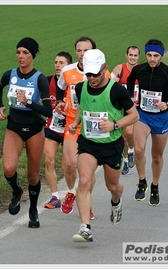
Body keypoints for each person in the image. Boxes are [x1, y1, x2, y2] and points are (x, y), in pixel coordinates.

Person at [69, 49, 139, 242]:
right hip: (88, 143)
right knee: (84, 180)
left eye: (95, 74)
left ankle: (116, 202)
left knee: (112, 185)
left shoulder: (117, 90)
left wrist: (114, 125)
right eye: (88, 74)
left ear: (105, 69)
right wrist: (76, 122)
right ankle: (85, 228)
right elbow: (83, 107)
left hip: (112, 145)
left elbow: (134, 115)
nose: (91, 78)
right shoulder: (80, 88)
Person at [0, 37, 52, 228]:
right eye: (18, 52)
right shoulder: (10, 74)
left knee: (33, 175)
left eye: (25, 53)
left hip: (35, 129)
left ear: (33, 55)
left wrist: (29, 103)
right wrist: (1, 106)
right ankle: (17, 191)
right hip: (14, 127)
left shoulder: (40, 78)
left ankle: (33, 210)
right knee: (9, 168)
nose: (21, 56)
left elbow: (48, 110)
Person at [56, 36, 110, 219]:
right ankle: (72, 192)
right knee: (70, 164)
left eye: (86, 51)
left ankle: (85, 199)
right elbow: (59, 87)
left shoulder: (104, 73)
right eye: (79, 50)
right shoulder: (67, 71)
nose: (81, 54)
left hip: (92, 125)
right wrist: (60, 102)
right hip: (73, 123)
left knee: (87, 170)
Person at [127, 39, 168, 206]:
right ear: (146, 55)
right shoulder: (139, 70)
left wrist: (167, 103)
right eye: (149, 55)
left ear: (162, 56)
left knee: (156, 157)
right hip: (143, 115)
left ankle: (155, 185)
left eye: (156, 56)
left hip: (161, 117)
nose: (152, 59)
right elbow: (130, 80)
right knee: (138, 150)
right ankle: (142, 181)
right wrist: (132, 96)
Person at [43, 51, 73, 209]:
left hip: (71, 128)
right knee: (48, 160)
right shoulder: (48, 81)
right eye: (56, 62)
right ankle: (55, 197)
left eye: (61, 63)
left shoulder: (75, 83)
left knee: (66, 166)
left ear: (69, 66)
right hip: (53, 126)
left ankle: (71, 192)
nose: (57, 65)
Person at [111, 46, 140, 175]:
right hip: (121, 108)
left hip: (134, 108)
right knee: (123, 137)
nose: (133, 57)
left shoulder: (142, 70)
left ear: (138, 57)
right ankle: (126, 160)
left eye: (135, 55)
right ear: (126, 55)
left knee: (129, 133)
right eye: (131, 55)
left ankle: (131, 151)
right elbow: (110, 85)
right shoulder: (119, 69)